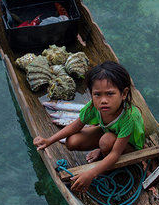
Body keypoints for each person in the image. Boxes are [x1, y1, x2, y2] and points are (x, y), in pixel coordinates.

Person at [33, 62, 145, 193]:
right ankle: (103, 151)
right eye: (97, 94)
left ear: (124, 93)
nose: (103, 100)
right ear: (91, 94)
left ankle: (104, 155)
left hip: (129, 146)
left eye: (110, 94)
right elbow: (76, 126)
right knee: (71, 142)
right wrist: (49, 141)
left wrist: (91, 174)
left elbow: (115, 154)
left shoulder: (129, 116)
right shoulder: (93, 106)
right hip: (109, 133)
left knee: (106, 141)